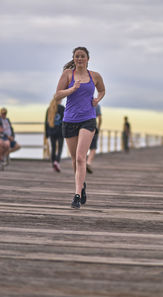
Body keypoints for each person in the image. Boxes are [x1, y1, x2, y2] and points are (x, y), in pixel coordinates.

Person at [55, 46, 105, 209]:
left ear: (88, 59)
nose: (80, 59)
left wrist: (97, 99)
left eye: (82, 56)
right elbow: (57, 96)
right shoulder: (68, 75)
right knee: (75, 160)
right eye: (77, 56)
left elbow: (102, 90)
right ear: (74, 59)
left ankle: (76, 195)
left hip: (88, 120)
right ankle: (82, 186)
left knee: (80, 157)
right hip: (69, 121)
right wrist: (72, 89)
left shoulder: (95, 76)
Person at [45, 97, 65, 172]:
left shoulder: (49, 109)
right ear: (59, 100)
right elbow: (65, 121)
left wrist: (46, 134)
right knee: (60, 148)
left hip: (51, 131)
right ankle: (57, 161)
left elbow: (46, 122)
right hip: (60, 132)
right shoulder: (62, 108)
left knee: (53, 148)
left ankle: (53, 163)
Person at [86, 104, 102, 174]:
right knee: (93, 148)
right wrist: (98, 127)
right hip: (93, 127)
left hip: (82, 128)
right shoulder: (97, 105)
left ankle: (82, 162)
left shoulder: (83, 103)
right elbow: (100, 118)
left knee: (83, 146)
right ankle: (88, 163)